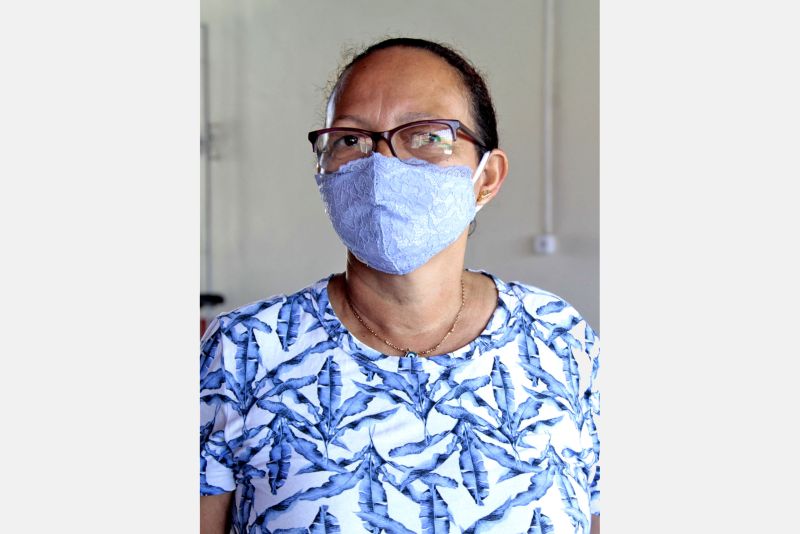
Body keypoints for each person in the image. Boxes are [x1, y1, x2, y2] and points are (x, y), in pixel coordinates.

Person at [200, 37, 600, 534]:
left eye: (428, 135)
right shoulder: (244, 349)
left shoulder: (561, 340)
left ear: (487, 177)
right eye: (350, 139)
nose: (380, 165)